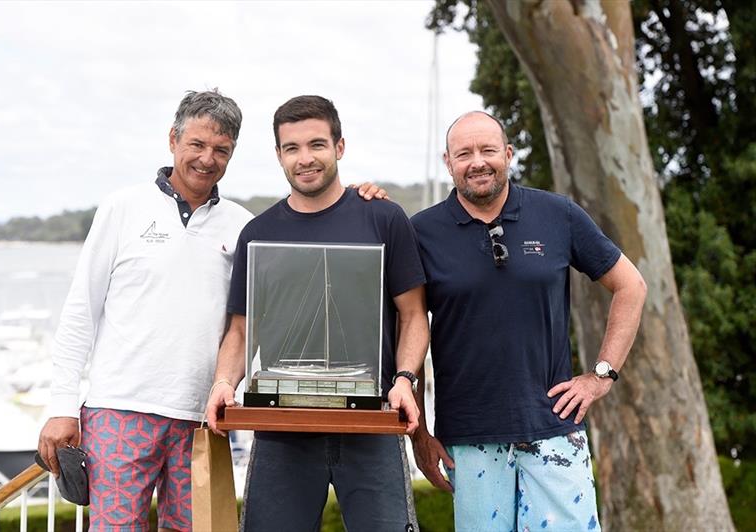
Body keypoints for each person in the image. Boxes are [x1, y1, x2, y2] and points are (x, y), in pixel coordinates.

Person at [36, 88, 386, 531]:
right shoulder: (122, 208)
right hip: (118, 411)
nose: (207, 159)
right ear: (173, 140)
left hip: (203, 419)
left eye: (221, 150)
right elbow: (79, 313)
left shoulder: (244, 226)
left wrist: (359, 196)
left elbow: (253, 323)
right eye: (196, 145)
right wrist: (62, 405)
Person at [410, 111, 647, 531]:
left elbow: (631, 286)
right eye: (464, 153)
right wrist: (420, 434)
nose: (477, 161)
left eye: (488, 149)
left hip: (554, 428)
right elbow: (407, 328)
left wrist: (602, 375)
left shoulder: (558, 215)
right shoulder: (421, 232)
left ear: (508, 153)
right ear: (447, 162)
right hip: (468, 439)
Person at [205, 95, 429, 532]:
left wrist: (404, 381)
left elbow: (414, 315)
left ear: (339, 147)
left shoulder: (383, 218)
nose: (305, 159)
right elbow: (239, 329)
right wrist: (222, 382)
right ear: (278, 155)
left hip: (371, 422)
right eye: (292, 148)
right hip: (281, 427)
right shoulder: (258, 233)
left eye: (317, 145)